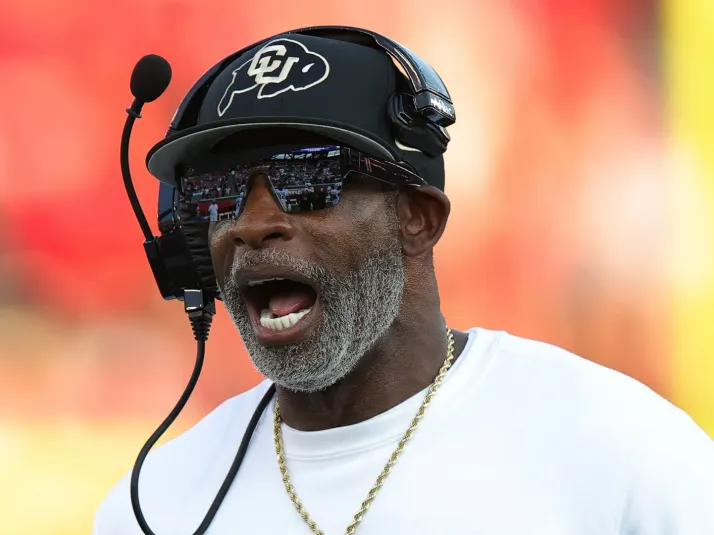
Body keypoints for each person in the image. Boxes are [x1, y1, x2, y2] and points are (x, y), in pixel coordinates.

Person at [94, 28, 714, 535]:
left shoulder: (620, 448)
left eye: (308, 180)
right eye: (217, 193)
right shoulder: (155, 505)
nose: (252, 225)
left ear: (417, 218)